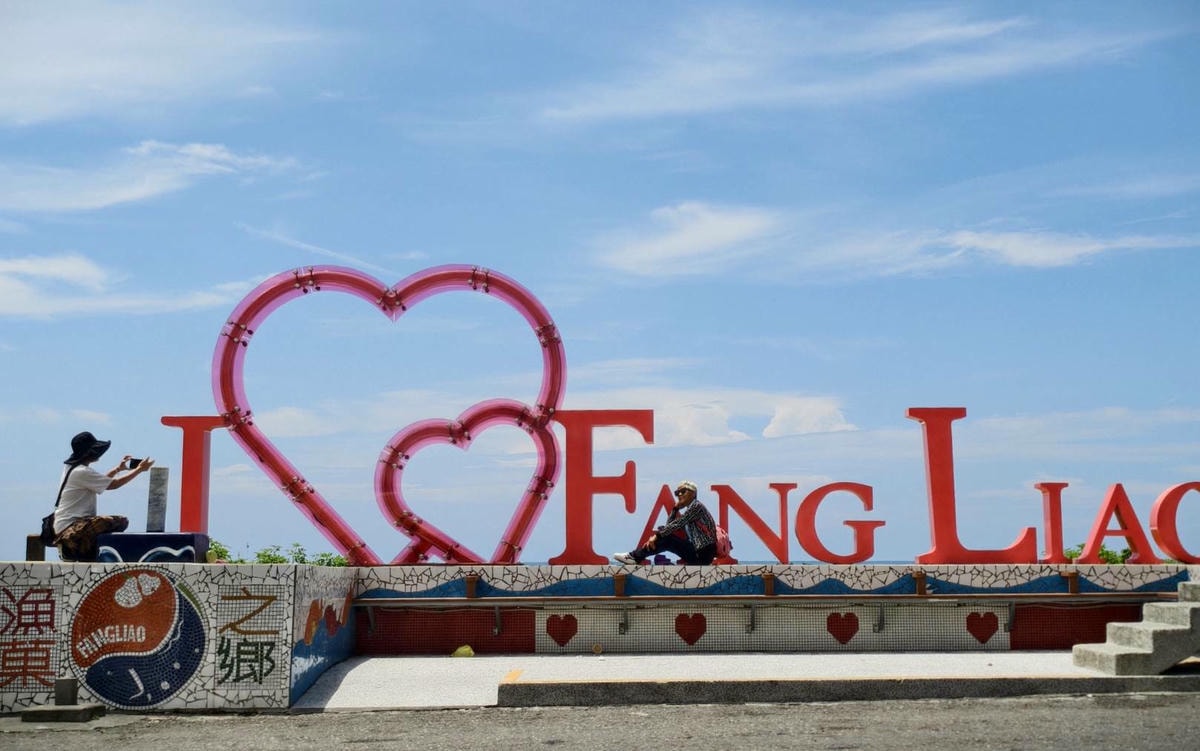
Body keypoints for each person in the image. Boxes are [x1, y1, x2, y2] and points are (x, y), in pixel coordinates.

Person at [53, 431, 154, 562]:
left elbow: (101, 482)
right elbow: (113, 484)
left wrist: (118, 469)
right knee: (118, 522)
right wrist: (139, 469)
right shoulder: (82, 472)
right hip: (71, 528)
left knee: (114, 522)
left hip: (66, 525)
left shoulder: (72, 468)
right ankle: (75, 551)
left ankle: (84, 552)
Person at [613, 480, 718, 565]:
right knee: (665, 534)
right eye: (677, 493)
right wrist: (675, 509)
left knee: (667, 538)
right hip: (698, 552)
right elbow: (670, 526)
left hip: (703, 554)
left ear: (693, 493)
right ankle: (636, 556)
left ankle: (635, 557)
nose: (679, 495)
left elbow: (678, 523)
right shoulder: (692, 510)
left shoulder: (696, 507)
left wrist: (656, 536)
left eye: (683, 491)